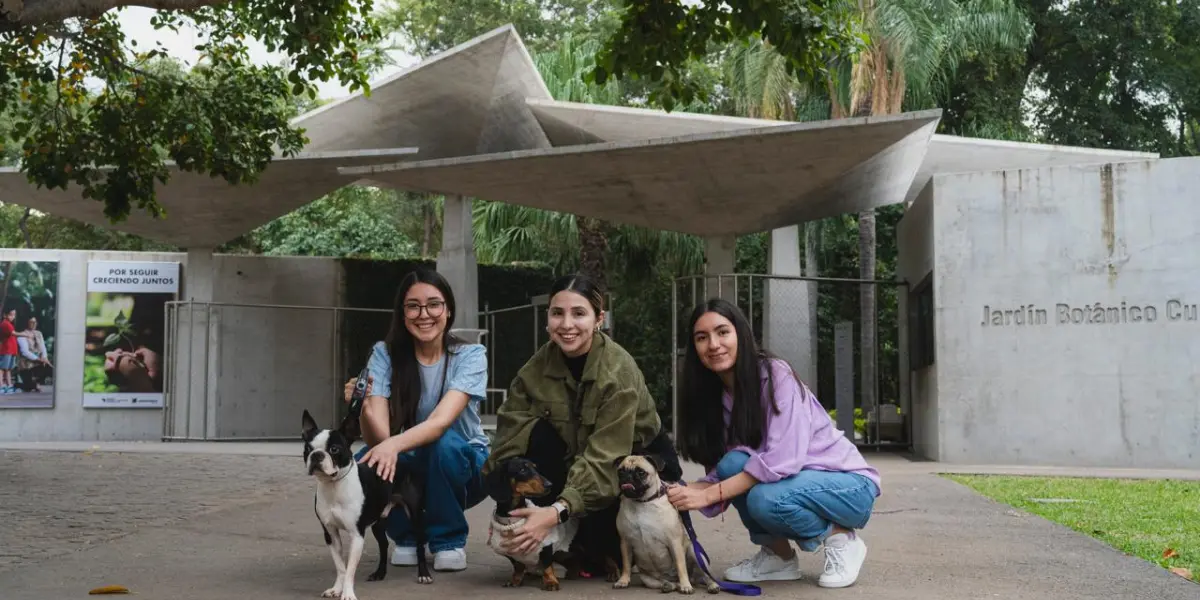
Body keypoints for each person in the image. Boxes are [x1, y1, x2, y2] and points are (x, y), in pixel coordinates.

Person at [667, 297, 881, 589]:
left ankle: (841, 538)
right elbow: (727, 471)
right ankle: (778, 558)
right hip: (793, 484)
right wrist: (686, 491)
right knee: (733, 465)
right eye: (701, 338)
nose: (713, 344)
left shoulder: (776, 374)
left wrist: (707, 495)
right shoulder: (712, 398)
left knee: (765, 498)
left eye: (722, 332)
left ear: (740, 334)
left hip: (847, 486)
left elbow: (783, 460)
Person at [484, 273, 681, 574]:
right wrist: (507, 507)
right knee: (534, 434)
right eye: (557, 313)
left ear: (599, 318)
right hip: (575, 459)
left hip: (628, 463)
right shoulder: (533, 371)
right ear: (547, 317)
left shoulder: (618, 372)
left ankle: (584, 537)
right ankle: (567, 539)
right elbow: (507, 441)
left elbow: (606, 458)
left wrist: (556, 511)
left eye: (579, 313)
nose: (566, 325)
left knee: (610, 551)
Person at [342, 269, 489, 572]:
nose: (424, 314)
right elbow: (380, 439)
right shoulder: (384, 355)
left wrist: (392, 446)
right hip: (412, 463)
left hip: (466, 468)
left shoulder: (471, 355)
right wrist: (365, 406)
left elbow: (439, 423)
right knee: (367, 460)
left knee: (442, 444)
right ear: (402, 313)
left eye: (434, 304)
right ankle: (406, 536)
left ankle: (448, 541)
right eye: (413, 306)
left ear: (448, 310)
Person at [15, 316, 53, 392]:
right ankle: (23, 384)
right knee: (28, 387)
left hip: (38, 363)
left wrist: (44, 358)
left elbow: (43, 347)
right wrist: (39, 359)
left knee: (51, 369)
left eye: (35, 322)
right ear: (27, 323)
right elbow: (25, 352)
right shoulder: (22, 335)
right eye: (31, 322)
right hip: (26, 365)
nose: (34, 324)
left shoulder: (38, 333)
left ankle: (37, 382)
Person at [0, 308, 18, 395]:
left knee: (8, 369)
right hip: (6, 350)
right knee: (2, 368)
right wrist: (25, 334)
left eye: (14, 315)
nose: (13, 317)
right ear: (5, 315)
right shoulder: (5, 323)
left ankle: (9, 385)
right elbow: (14, 333)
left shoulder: (10, 324)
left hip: (11, 350)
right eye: (11, 314)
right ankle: (1, 386)